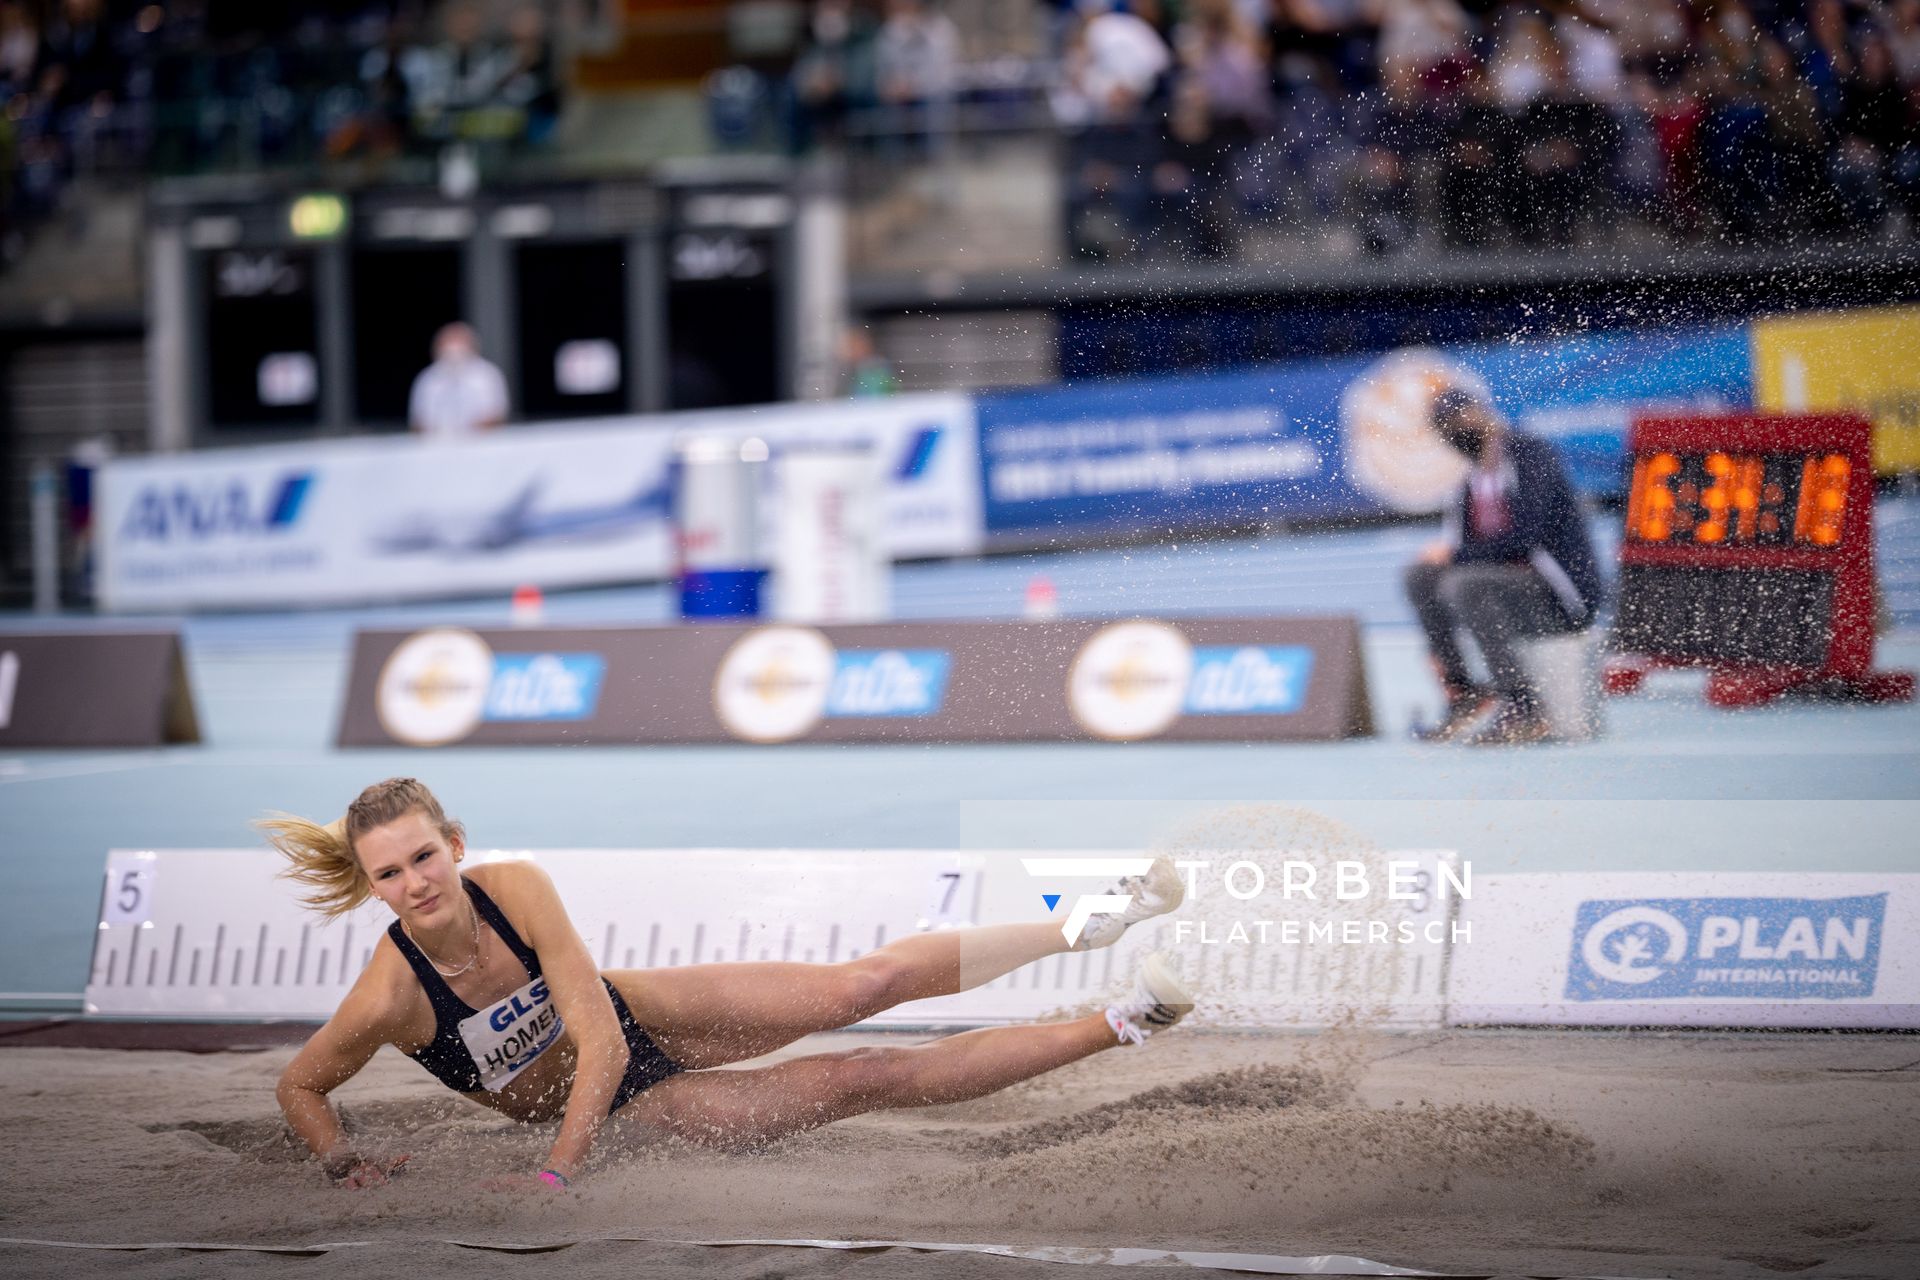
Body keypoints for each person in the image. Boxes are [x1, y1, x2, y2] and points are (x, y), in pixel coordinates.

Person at [263, 778, 1193, 1190]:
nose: (416, 885)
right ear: (372, 886)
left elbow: (603, 1035)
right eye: (389, 875)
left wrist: (554, 1176)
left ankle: (1096, 917)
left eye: (425, 857)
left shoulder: (516, 890)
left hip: (634, 1021)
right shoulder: (392, 998)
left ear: (454, 846)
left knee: (854, 987)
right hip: (631, 1109)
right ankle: (1130, 1018)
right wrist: (341, 1161)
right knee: (861, 1080)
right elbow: (299, 1084)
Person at [1404, 387, 1603, 745]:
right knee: (1420, 577)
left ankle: (1524, 705)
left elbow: (1528, 535)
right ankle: (1463, 691)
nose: (1456, 429)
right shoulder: (1469, 481)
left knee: (1461, 583)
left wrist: (1455, 556)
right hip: (1508, 590)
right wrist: (1452, 556)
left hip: (1560, 596)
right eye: (1445, 426)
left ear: (1484, 415)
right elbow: (1464, 547)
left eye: (1461, 418)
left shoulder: (1530, 456)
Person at [408, 322, 509, 442]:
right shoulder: (428, 378)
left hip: (481, 444)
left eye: (459, 344)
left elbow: (496, 415)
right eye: (448, 344)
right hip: (436, 447)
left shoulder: (487, 374)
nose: (454, 350)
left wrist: (466, 433)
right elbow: (418, 422)